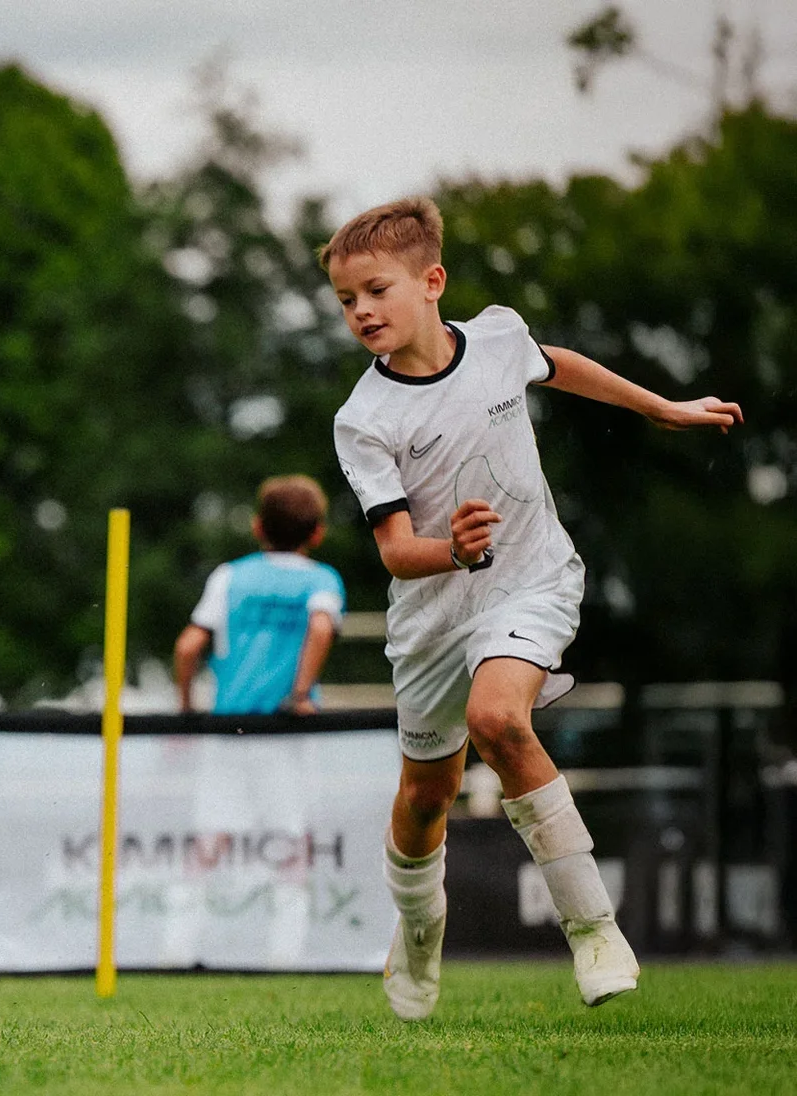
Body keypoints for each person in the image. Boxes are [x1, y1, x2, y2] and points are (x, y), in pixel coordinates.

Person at [321, 197, 742, 1020]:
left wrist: (662, 407)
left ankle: (593, 930)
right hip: (433, 614)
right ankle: (417, 931)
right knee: (425, 800)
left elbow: (559, 364)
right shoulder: (362, 420)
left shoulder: (501, 338)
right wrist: (455, 548)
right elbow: (398, 552)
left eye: (375, 290)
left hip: (533, 581)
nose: (360, 311)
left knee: (502, 721)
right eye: (345, 301)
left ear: (432, 281)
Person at [174, 475, 348, 715]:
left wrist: (186, 707)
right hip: (292, 723)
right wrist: (300, 695)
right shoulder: (322, 579)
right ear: (317, 533)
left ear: (258, 527)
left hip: (232, 723)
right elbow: (320, 629)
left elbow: (187, 647)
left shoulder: (228, 575)